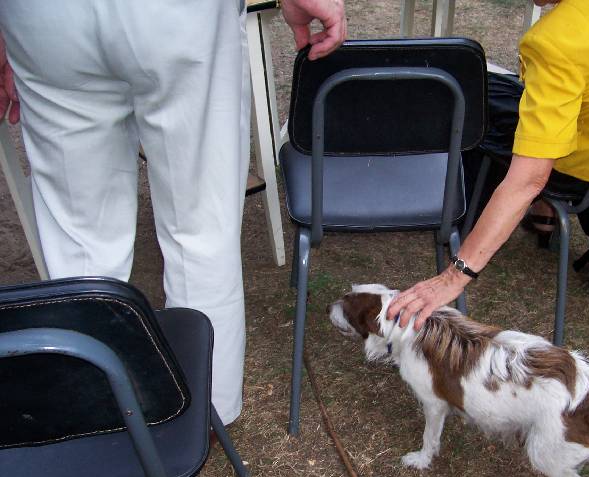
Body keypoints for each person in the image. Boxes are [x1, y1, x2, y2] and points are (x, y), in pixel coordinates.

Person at [0, 0, 346, 425]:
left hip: (44, 17)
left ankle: (94, 410)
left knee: (80, 238)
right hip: (177, 14)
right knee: (200, 230)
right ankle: (205, 412)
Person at [388, 0, 589, 338]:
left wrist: (454, 276)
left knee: (476, 102)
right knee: (506, 94)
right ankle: (542, 211)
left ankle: (479, 215)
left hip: (588, 167)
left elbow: (529, 179)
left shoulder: (558, 43)